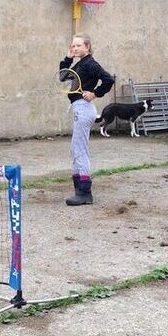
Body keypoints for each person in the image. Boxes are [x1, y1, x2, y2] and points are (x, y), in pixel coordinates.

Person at [59, 33, 114, 206]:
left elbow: (108, 79)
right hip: (78, 108)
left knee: (80, 149)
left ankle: (85, 192)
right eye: (73, 46)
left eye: (78, 46)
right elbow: (62, 76)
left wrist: (95, 93)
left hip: (84, 108)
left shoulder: (90, 63)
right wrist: (68, 58)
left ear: (87, 47)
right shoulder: (79, 64)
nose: (75, 48)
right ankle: (79, 190)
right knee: (76, 149)